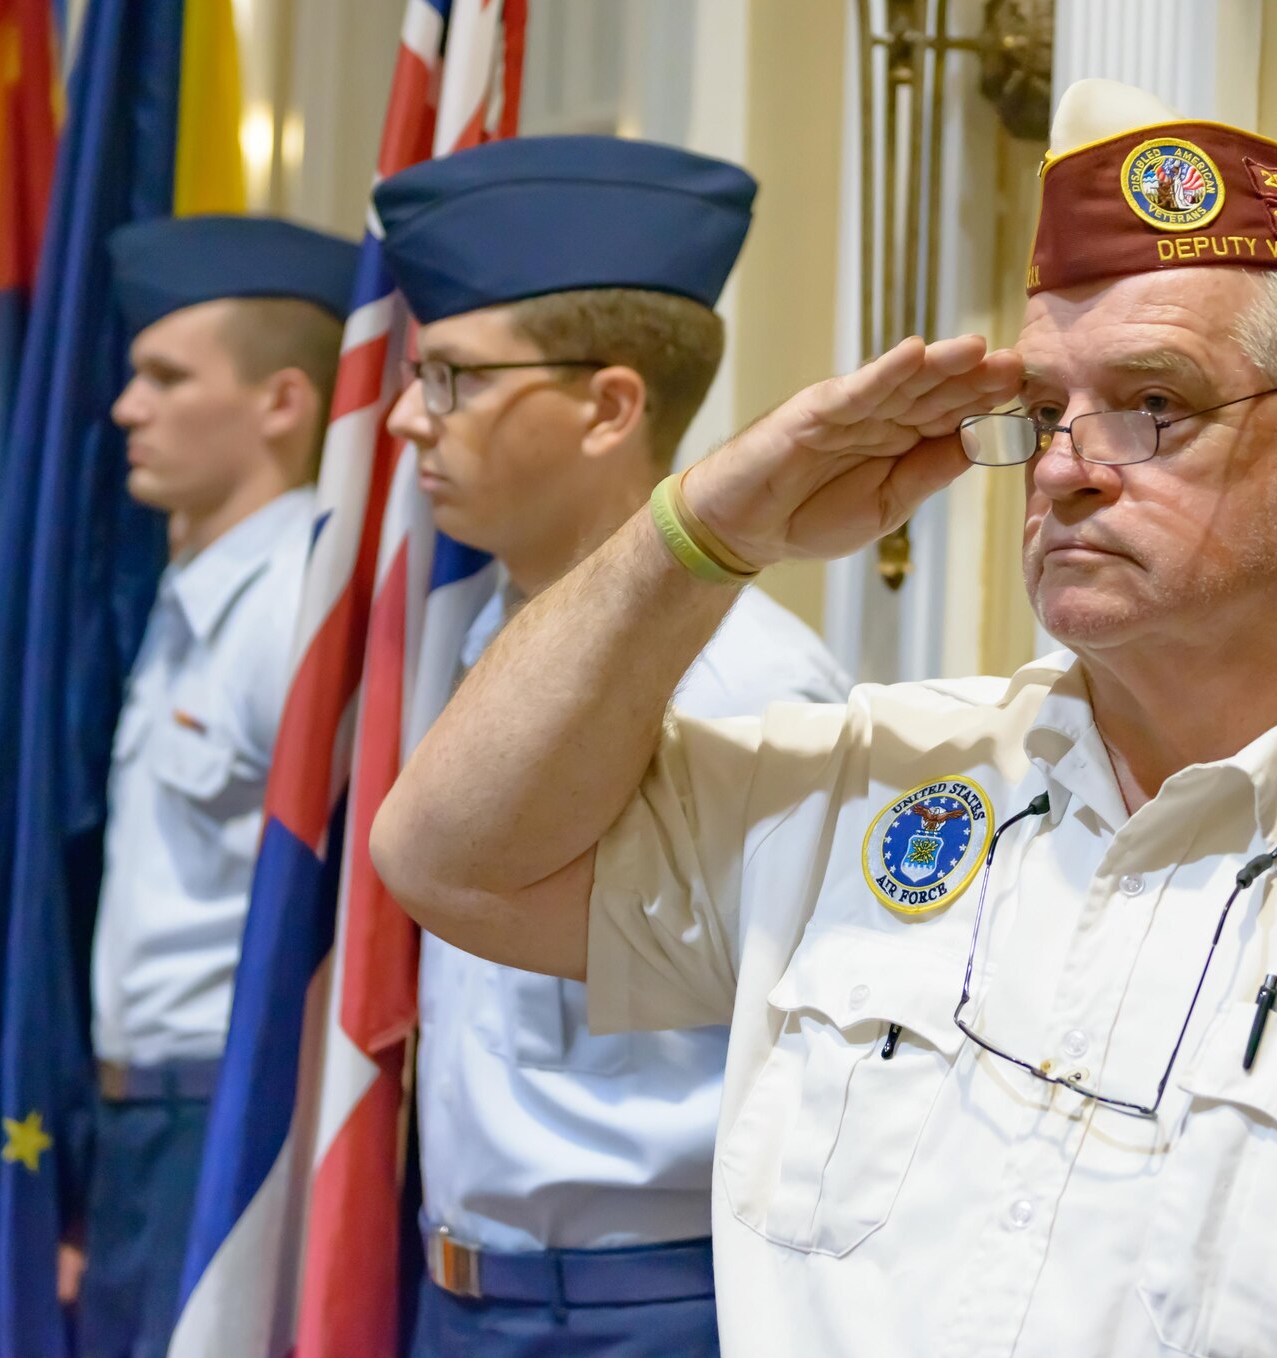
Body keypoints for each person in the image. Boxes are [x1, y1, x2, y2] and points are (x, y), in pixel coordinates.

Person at [367, 79, 1277, 1357]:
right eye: (1042, 409)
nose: (1068, 472)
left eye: (1152, 405)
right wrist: (710, 523)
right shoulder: (868, 787)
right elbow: (452, 861)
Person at [371, 134, 849, 1356]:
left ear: (609, 406)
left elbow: (814, 1047)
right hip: (455, 1288)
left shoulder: (743, 674)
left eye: (453, 379)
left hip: (642, 1305)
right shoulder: (464, 638)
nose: (403, 418)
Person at [75, 215, 357, 1358]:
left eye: (164, 376)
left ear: (282, 401)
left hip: (222, 1117)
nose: (125, 407)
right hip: (145, 1118)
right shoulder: (198, 588)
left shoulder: (289, 607)